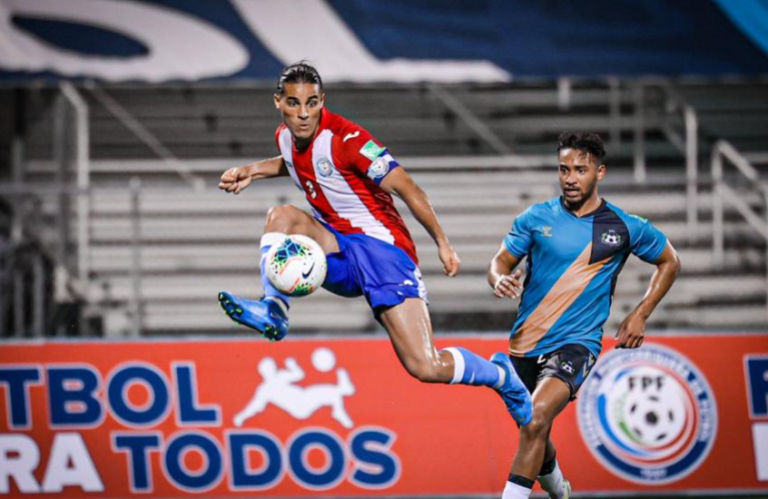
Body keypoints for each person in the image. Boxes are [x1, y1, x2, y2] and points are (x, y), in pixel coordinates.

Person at [217, 62, 531, 425]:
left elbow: (407, 187)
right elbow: (295, 161)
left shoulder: (349, 140)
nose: (303, 114)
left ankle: (501, 375)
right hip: (339, 245)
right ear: (278, 103)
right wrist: (251, 170)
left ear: (323, 101)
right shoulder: (285, 138)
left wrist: (443, 244)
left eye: (312, 103)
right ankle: (275, 309)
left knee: (426, 366)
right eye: (293, 103)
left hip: (383, 251)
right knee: (281, 216)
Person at [487, 132, 681, 499]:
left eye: (580, 169)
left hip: (577, 344)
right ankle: (558, 486)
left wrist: (641, 313)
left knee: (536, 417)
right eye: (563, 169)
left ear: (600, 172)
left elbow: (670, 260)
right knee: (534, 430)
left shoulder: (623, 227)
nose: (570, 178)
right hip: (524, 344)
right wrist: (499, 279)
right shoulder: (535, 217)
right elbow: (500, 262)